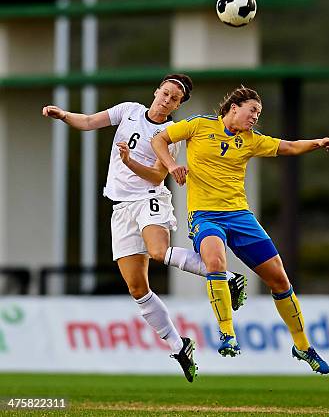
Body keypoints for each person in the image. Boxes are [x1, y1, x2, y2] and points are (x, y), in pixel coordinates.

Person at [41, 74, 246, 382]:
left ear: (178, 105)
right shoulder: (128, 110)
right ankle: (180, 346)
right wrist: (62, 115)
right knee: (138, 289)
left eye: (174, 98)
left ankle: (227, 277)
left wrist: (127, 161)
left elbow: (155, 177)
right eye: (165, 93)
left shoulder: (169, 134)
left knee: (159, 251)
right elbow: (87, 122)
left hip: (149, 197)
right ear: (156, 92)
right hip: (121, 207)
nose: (167, 99)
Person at [151, 85, 329, 374]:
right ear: (234, 107)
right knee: (215, 260)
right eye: (252, 111)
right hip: (205, 215)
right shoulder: (199, 125)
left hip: (240, 216)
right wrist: (173, 165)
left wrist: (317, 142)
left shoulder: (251, 140)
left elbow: (287, 146)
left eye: (258, 114)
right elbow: (159, 139)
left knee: (280, 280)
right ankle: (227, 334)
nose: (255, 118)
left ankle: (302, 346)